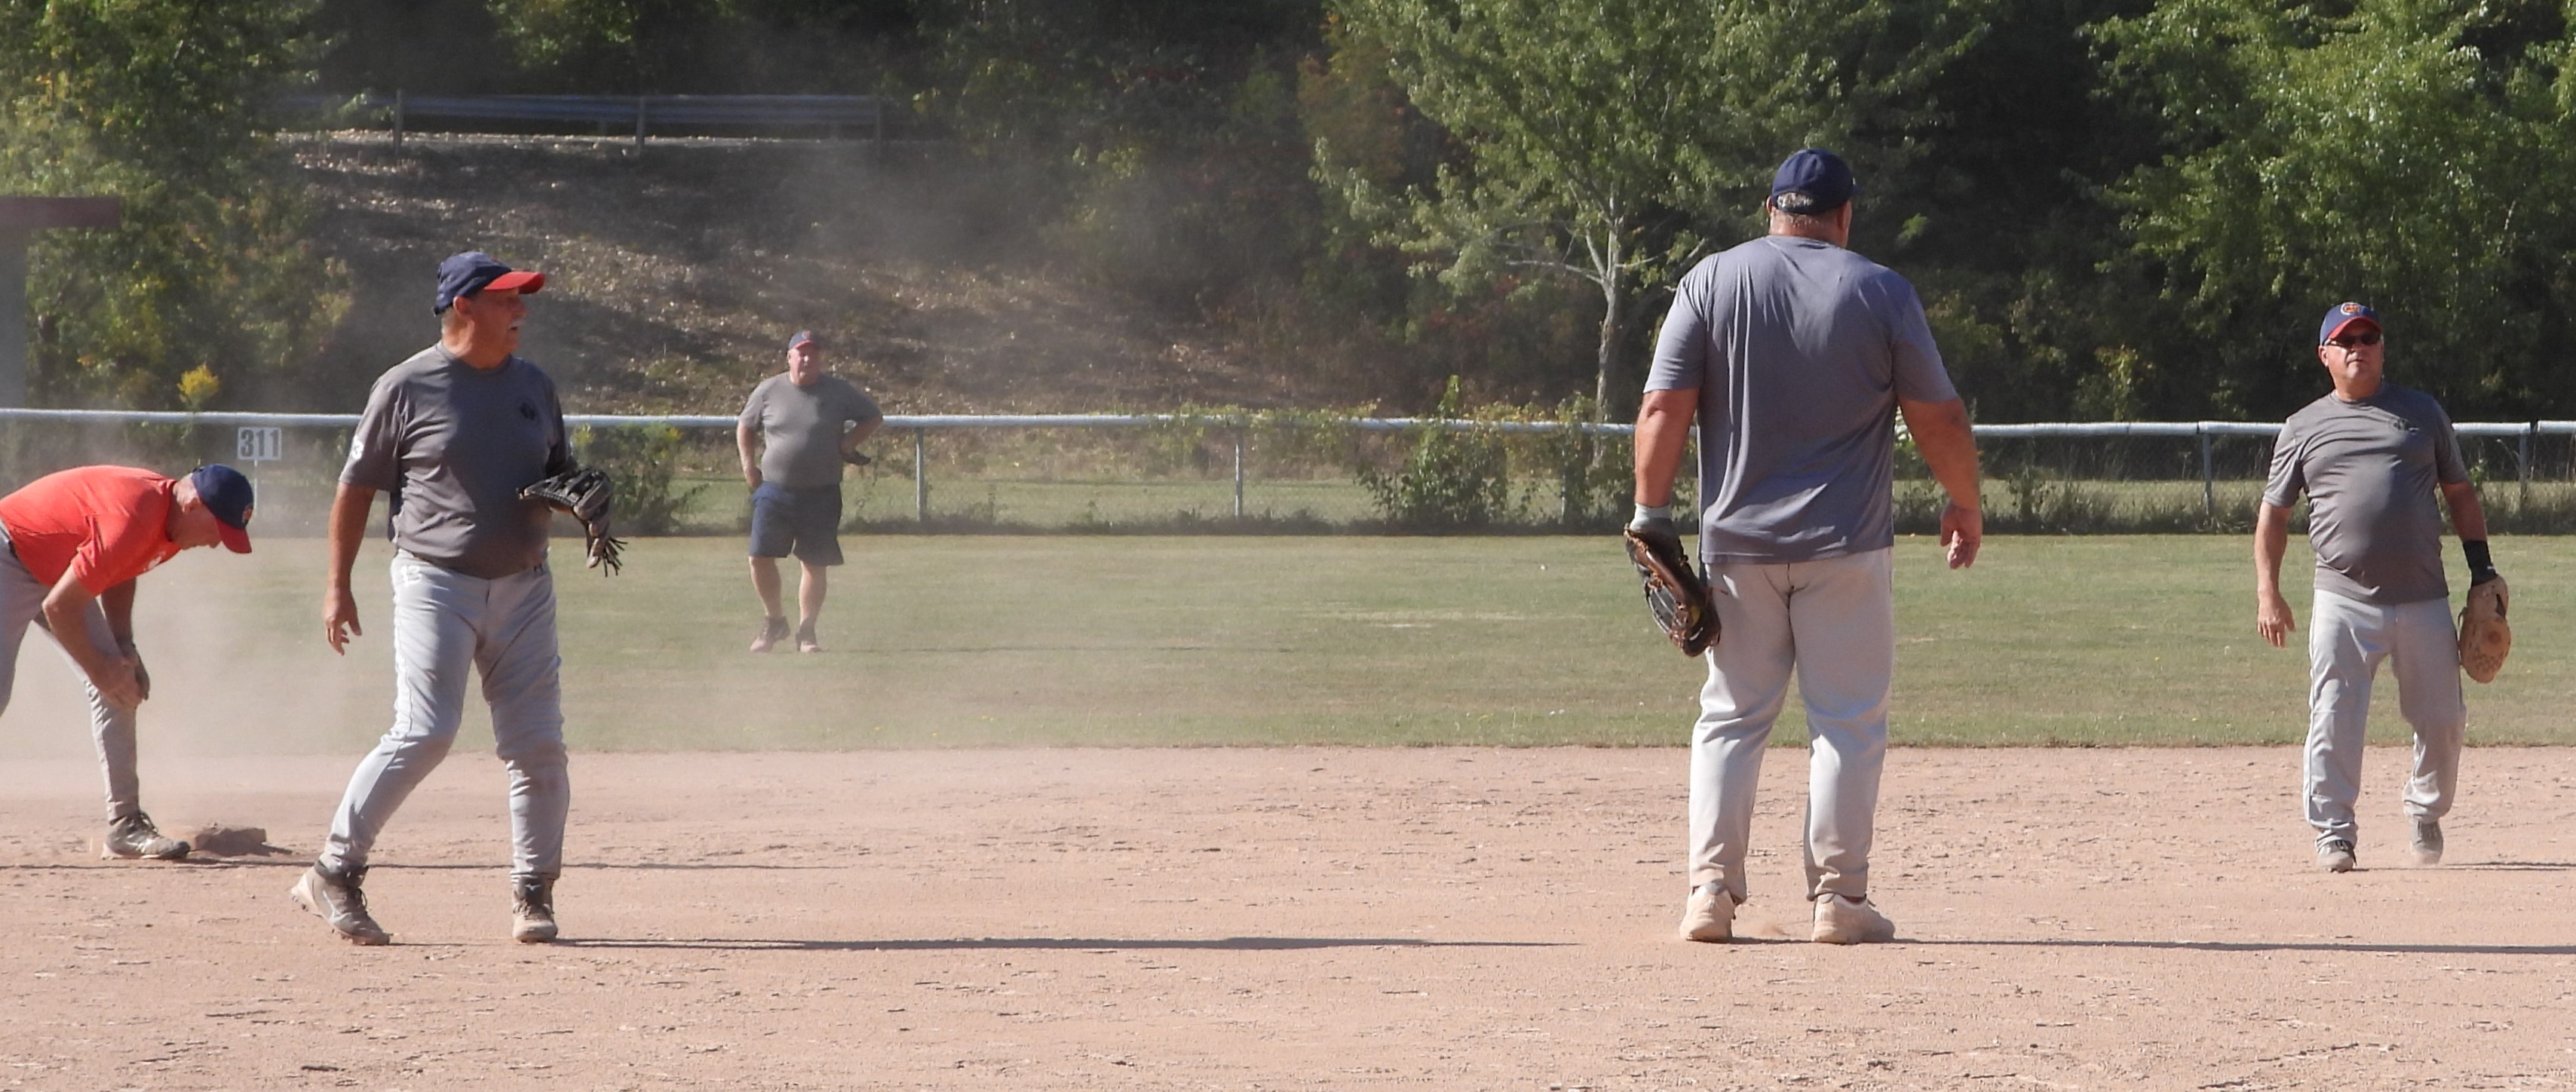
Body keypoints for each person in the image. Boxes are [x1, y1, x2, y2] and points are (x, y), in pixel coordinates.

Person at [1633, 148, 1984, 946]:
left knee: (1730, 717)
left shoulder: (1710, 281)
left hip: (1736, 547)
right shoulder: (1881, 290)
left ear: (1770, 209)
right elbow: (1939, 416)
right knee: (1846, 723)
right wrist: (1963, 500)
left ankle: (1708, 892)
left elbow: (1661, 406)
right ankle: (1838, 899)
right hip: (1845, 546)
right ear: (1844, 215)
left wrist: (1650, 513)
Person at [293, 251, 578, 946]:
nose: (521, 310)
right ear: (464, 307)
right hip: (435, 580)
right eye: (507, 299)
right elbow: (355, 488)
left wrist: (582, 501)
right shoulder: (406, 386)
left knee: (539, 745)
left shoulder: (534, 385)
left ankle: (534, 892)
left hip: (526, 586)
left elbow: (561, 475)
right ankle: (334, 870)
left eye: (521, 299)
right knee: (426, 730)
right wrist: (337, 586)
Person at [2255, 302, 2491, 873]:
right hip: (2343, 597)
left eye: (2369, 337)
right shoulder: (2303, 427)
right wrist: (2268, 592)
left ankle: (2425, 811)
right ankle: (2334, 832)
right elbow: (2273, 516)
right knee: (2334, 717)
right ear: (2326, 356)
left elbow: (2460, 494)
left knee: (2443, 719)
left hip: (2424, 594)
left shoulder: (2422, 413)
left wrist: (2483, 571)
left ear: (2382, 349)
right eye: (2346, 340)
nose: (2358, 347)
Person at [0, 464, 255, 860]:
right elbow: (60, 608)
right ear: (193, 504)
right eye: (217, 530)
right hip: (9, 555)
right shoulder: (134, 515)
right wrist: (99, 671)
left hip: (57, 568)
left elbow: (120, 570)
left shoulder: (171, 527)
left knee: (120, 682)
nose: (215, 543)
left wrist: (123, 646)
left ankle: (125, 825)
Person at [736, 330, 882, 653]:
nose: (806, 359)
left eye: (812, 354)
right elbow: (745, 426)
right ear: (789, 357)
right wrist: (748, 466)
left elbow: (873, 417)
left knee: (814, 563)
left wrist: (848, 443)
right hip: (775, 490)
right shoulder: (769, 390)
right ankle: (775, 621)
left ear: (819, 359)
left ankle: (807, 631)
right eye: (800, 353)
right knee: (759, 557)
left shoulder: (838, 391)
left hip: (821, 492)